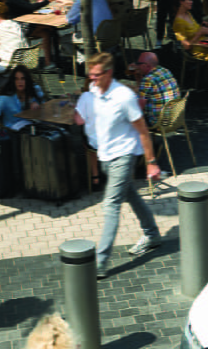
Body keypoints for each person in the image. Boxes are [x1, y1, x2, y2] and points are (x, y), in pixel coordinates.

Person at [86, 53, 164, 278]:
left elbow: (143, 131)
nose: (93, 79)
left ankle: (100, 263)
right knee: (130, 194)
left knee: (110, 205)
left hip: (124, 156)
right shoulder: (94, 91)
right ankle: (152, 234)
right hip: (106, 156)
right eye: (90, 75)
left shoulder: (124, 96)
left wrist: (151, 163)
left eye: (97, 75)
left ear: (109, 73)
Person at [130, 52, 180, 126]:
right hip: (175, 118)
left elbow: (139, 107)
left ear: (146, 66)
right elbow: (144, 89)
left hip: (159, 122)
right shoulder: (165, 70)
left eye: (138, 63)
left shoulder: (148, 80)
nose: (136, 65)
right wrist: (139, 74)